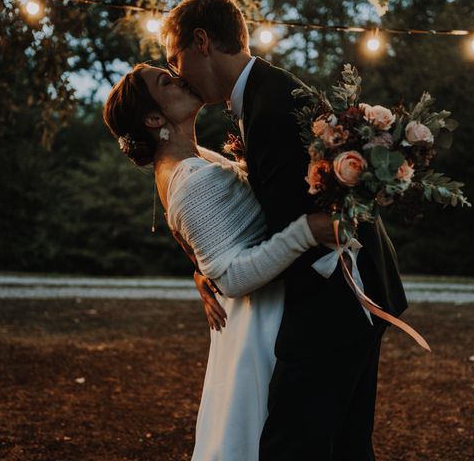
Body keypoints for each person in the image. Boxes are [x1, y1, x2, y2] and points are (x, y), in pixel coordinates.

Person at [160, 0, 409, 460]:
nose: (178, 73)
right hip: (351, 289)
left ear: (201, 42)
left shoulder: (271, 107)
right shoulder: (264, 94)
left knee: (293, 445)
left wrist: (227, 272)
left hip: (332, 301)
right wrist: (209, 265)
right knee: (344, 445)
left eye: (176, 58)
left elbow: (296, 224)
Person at [103, 63, 336, 460]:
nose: (179, 76)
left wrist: (200, 270)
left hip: (251, 320)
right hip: (258, 323)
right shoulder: (189, 177)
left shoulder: (193, 158)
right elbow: (231, 275)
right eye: (165, 81)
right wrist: (308, 232)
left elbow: (211, 246)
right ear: (154, 117)